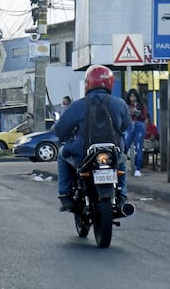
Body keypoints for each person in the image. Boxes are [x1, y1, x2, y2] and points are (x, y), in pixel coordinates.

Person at [52, 65, 131, 211]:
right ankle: (122, 195)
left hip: (84, 155)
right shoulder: (120, 104)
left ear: (88, 83)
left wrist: (60, 133)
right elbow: (126, 126)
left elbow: (60, 129)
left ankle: (65, 195)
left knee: (62, 155)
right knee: (122, 160)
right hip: (113, 153)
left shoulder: (79, 105)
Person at [123, 88, 147, 177]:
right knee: (125, 146)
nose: (132, 98)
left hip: (139, 126)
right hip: (130, 126)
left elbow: (144, 117)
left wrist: (137, 113)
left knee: (139, 147)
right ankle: (122, 167)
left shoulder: (141, 105)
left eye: (134, 96)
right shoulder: (126, 106)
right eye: (131, 96)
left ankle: (138, 169)